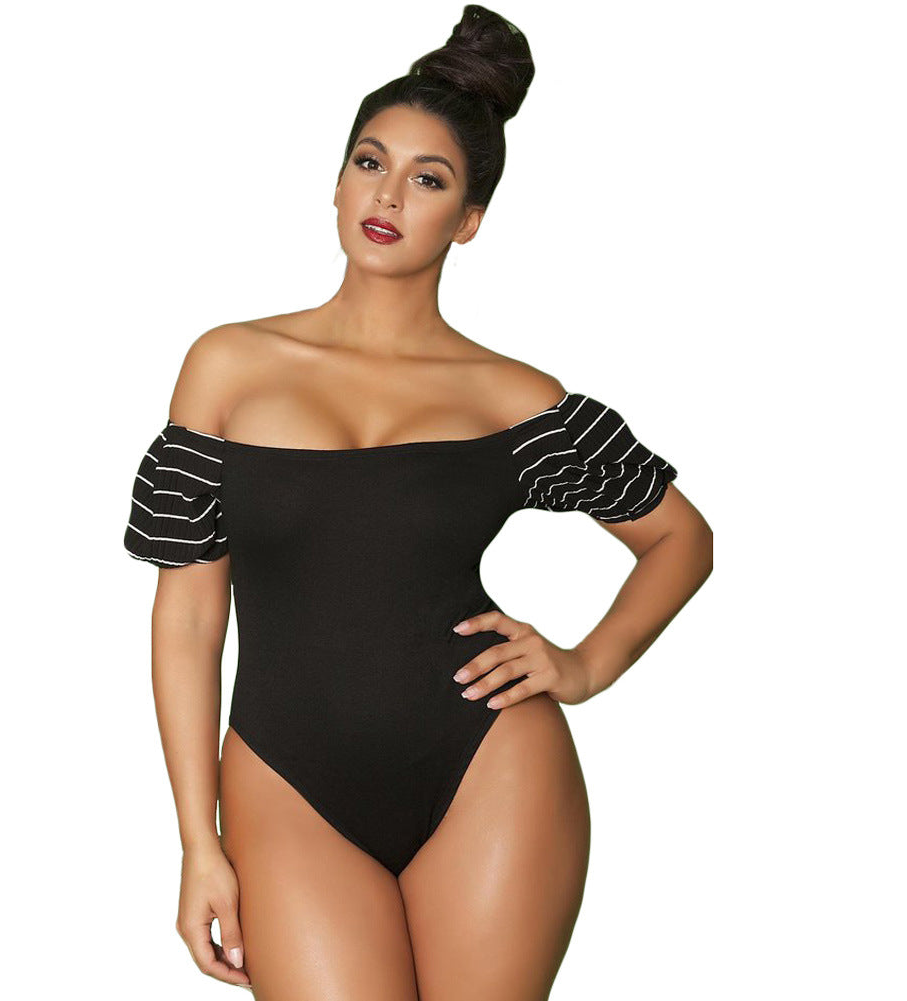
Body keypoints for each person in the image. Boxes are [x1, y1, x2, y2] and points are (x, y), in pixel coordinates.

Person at [123, 6, 713, 998]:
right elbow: (187, 616)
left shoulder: (512, 396)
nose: (387, 194)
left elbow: (680, 538)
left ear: (468, 218)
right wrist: (196, 839)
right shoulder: (226, 364)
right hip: (282, 778)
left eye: (427, 179)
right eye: (369, 162)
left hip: (488, 760)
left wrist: (583, 664)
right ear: (338, 179)